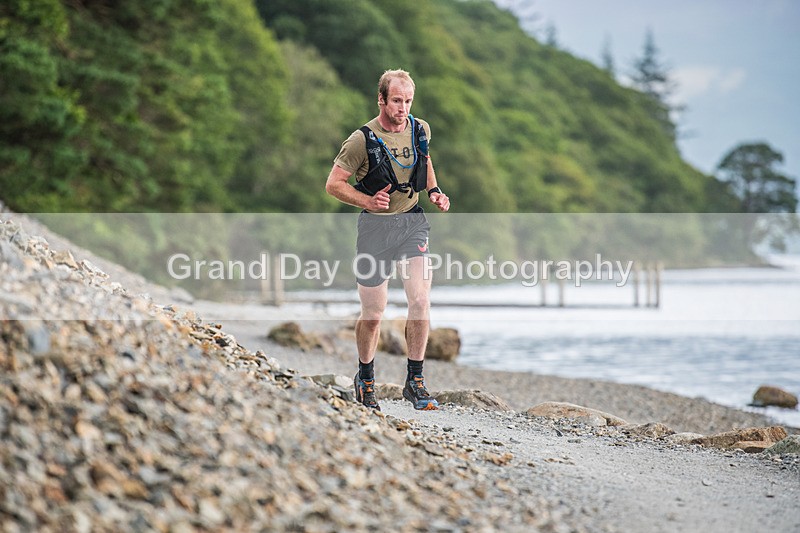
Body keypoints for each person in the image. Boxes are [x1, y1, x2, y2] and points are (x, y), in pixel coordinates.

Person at [325, 69, 450, 411]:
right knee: (374, 313)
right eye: (396, 100)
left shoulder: (418, 128)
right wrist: (367, 201)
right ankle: (365, 379)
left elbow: (425, 161)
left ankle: (415, 380)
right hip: (374, 229)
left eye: (408, 101)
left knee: (421, 301)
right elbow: (333, 184)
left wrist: (434, 190)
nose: (403, 108)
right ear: (381, 99)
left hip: (412, 222)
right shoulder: (360, 140)